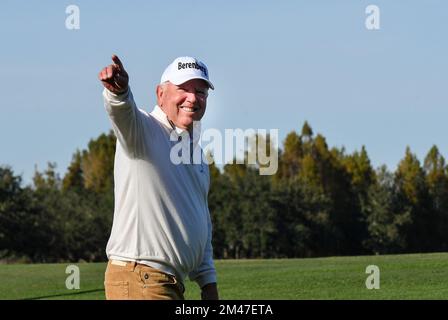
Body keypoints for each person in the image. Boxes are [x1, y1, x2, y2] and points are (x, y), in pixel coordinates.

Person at [98, 54, 219, 300]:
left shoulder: (196, 155)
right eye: (183, 88)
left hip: (166, 282)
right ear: (160, 94)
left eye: (201, 91)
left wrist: (208, 282)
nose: (193, 97)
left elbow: (201, 221)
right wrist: (119, 93)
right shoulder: (143, 131)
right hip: (140, 278)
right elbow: (123, 113)